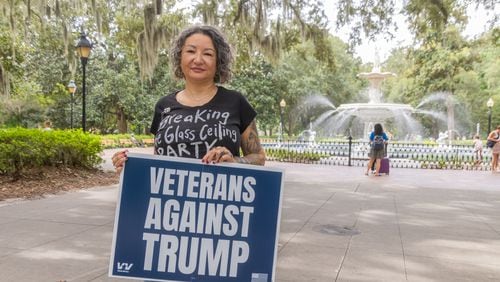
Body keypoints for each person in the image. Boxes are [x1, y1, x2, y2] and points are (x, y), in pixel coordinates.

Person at [112, 25, 265, 173]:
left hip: (220, 196)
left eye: (208, 54)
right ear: (180, 57)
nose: (198, 60)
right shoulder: (163, 105)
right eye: (191, 51)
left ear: (219, 62)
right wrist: (130, 169)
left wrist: (235, 161)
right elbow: (158, 164)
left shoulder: (236, 102)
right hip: (172, 199)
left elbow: (259, 157)